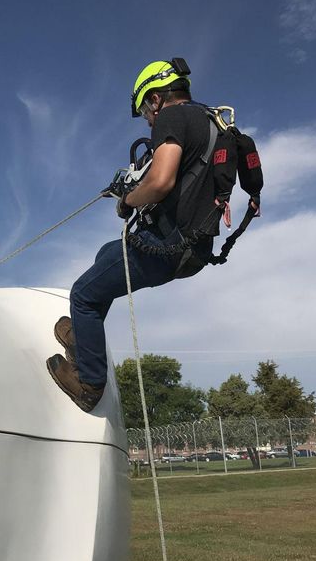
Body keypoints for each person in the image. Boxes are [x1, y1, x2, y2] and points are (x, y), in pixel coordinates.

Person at [47, 58, 217, 412]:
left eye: (145, 110)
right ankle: (83, 339)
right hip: (194, 248)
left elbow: (160, 182)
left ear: (156, 98)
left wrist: (127, 201)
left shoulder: (172, 117)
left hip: (167, 247)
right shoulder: (210, 122)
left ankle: (89, 383)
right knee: (108, 253)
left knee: (83, 296)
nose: (149, 119)